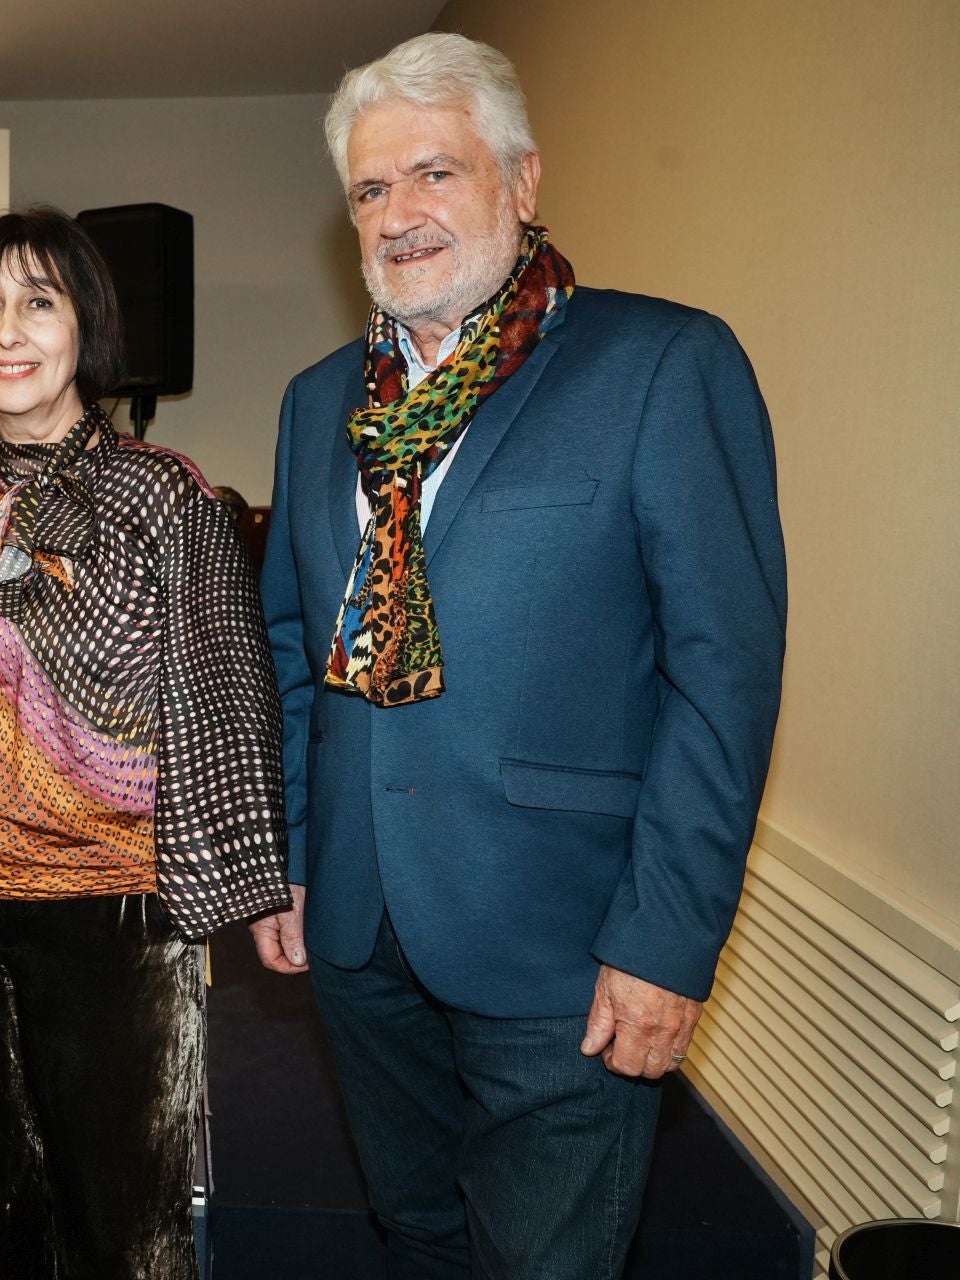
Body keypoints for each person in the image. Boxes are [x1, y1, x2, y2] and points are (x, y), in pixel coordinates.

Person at [254, 32, 786, 1275]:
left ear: (524, 181)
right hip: (358, 930)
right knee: (419, 1231)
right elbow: (293, 640)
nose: (400, 215)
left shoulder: (662, 365)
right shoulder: (314, 400)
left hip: (569, 946)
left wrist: (664, 940)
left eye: (434, 172)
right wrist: (295, 849)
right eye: (372, 190)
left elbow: (724, 674)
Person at [0, 206, 291, 1279]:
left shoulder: (163, 492)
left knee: (121, 1229)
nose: (8, 329)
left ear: (86, 328)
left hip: (111, 915)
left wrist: (253, 889)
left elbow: (225, 694)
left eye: (38, 301)